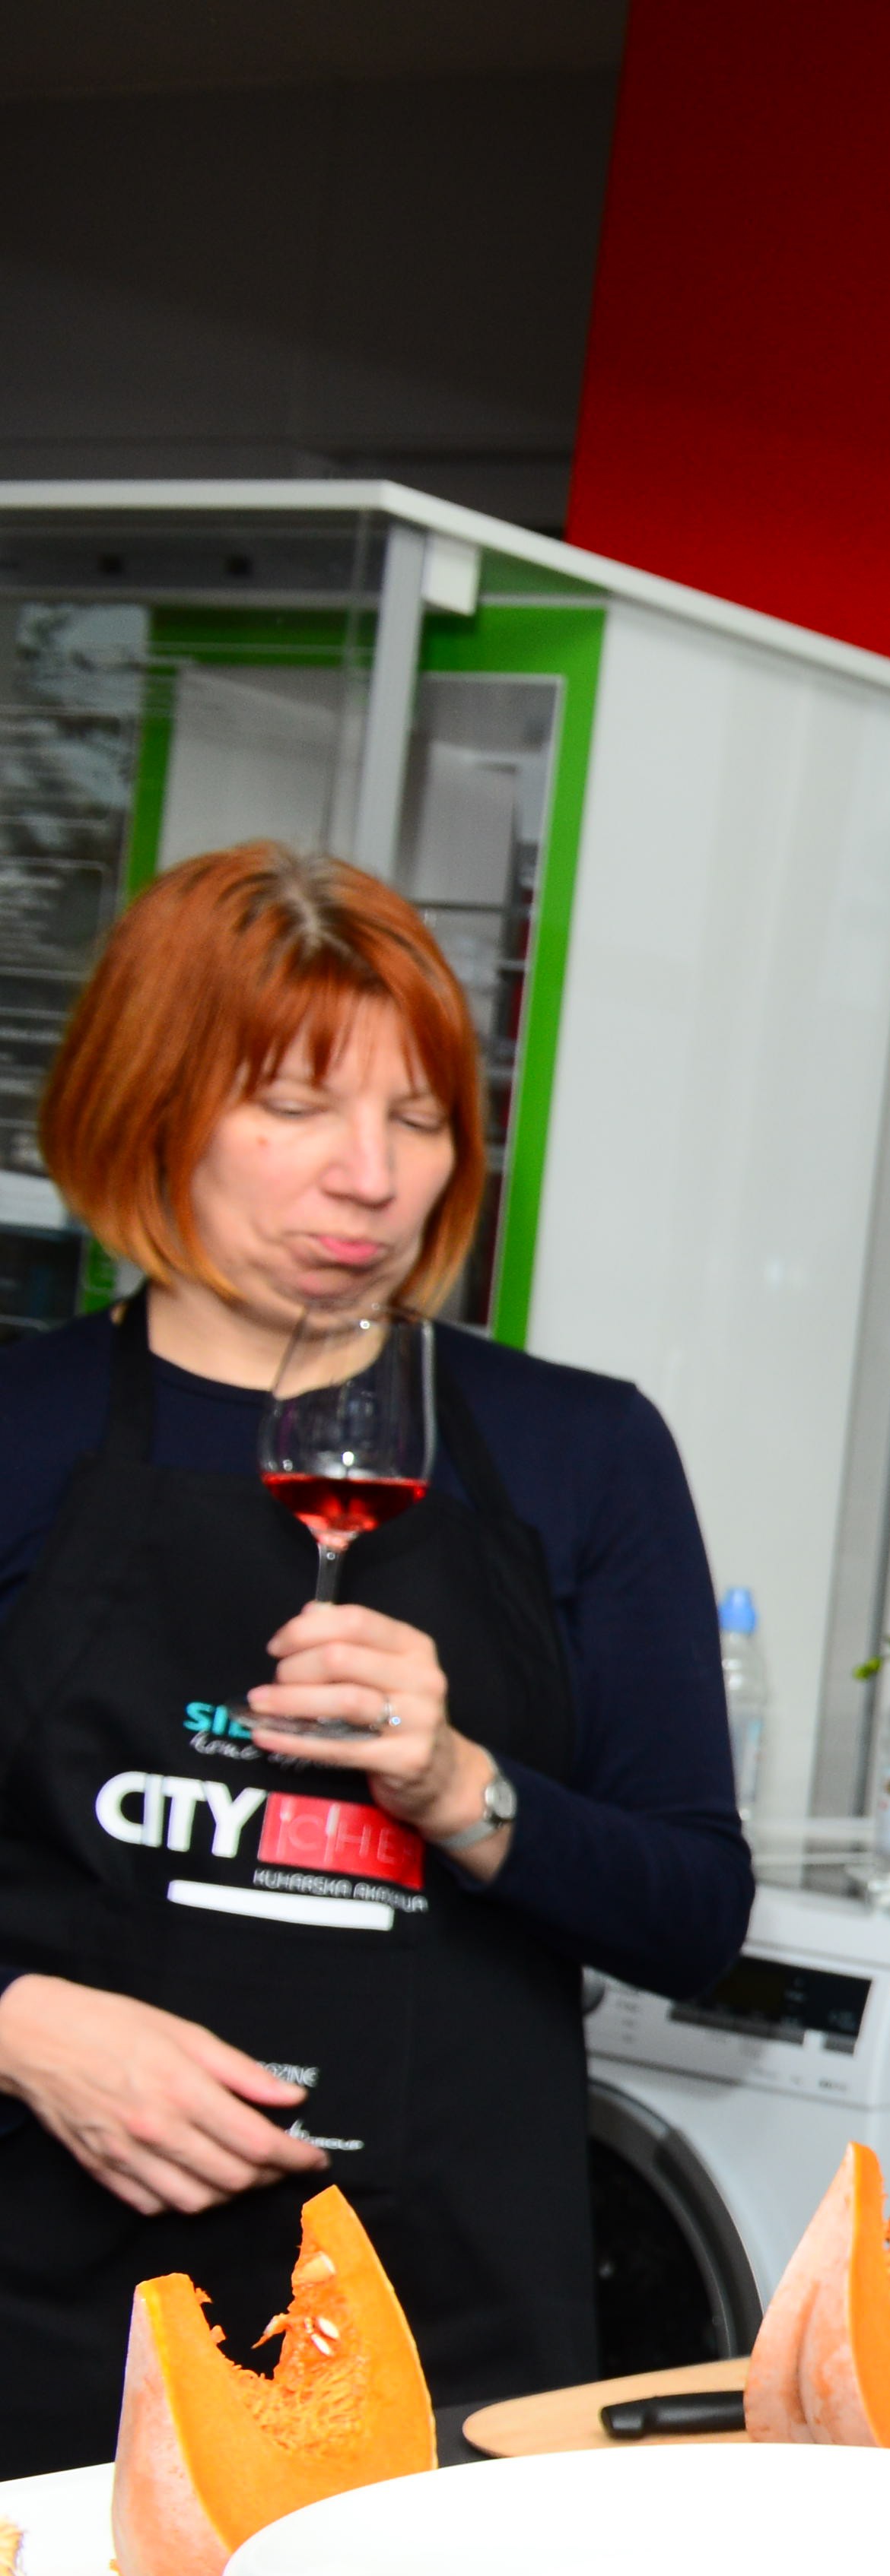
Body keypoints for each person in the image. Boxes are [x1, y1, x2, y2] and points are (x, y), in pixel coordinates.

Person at [0, 843, 749, 2451]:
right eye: (294, 1107)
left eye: (418, 1119)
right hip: (46, 2324)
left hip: (449, 2329)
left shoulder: (581, 1451)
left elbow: (695, 1914)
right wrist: (18, 2025)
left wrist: (466, 1787)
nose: (372, 1178)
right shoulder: (21, 1431)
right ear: (150, 1108)